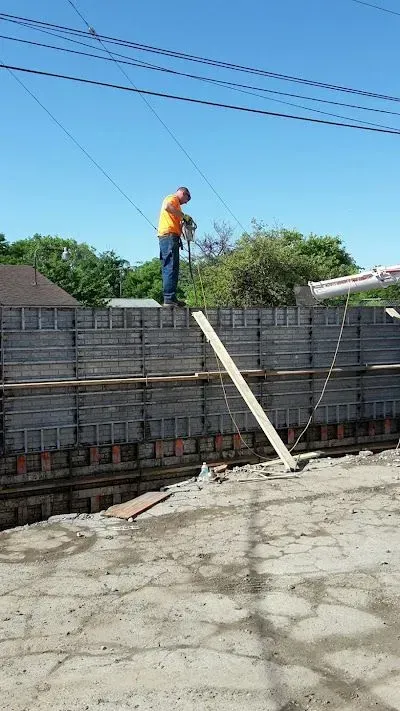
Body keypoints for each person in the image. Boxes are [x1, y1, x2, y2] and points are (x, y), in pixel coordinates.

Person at [157, 187, 192, 306]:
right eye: (188, 198)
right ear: (183, 193)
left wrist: (182, 223)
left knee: (173, 267)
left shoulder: (177, 206)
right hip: (169, 237)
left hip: (171, 237)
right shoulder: (172, 198)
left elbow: (174, 218)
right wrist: (183, 216)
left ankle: (171, 297)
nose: (186, 202)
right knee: (170, 267)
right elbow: (167, 206)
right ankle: (169, 298)